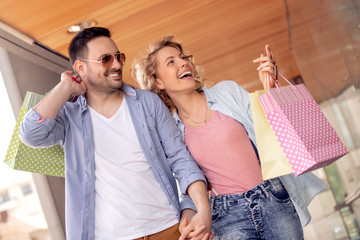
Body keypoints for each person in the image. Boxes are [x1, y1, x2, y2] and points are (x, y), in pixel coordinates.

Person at [19, 27, 213, 240]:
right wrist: (64, 88)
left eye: (118, 56)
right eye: (105, 59)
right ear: (80, 67)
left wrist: (202, 211)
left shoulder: (147, 102)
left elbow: (180, 159)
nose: (117, 64)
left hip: (169, 228)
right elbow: (31, 134)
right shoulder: (69, 116)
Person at [133, 35, 328, 240]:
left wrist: (268, 89)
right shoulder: (172, 131)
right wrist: (191, 219)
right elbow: (187, 188)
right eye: (171, 62)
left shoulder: (228, 91)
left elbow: (269, 133)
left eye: (182, 57)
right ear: (158, 81)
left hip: (273, 198)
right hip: (227, 216)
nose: (183, 63)